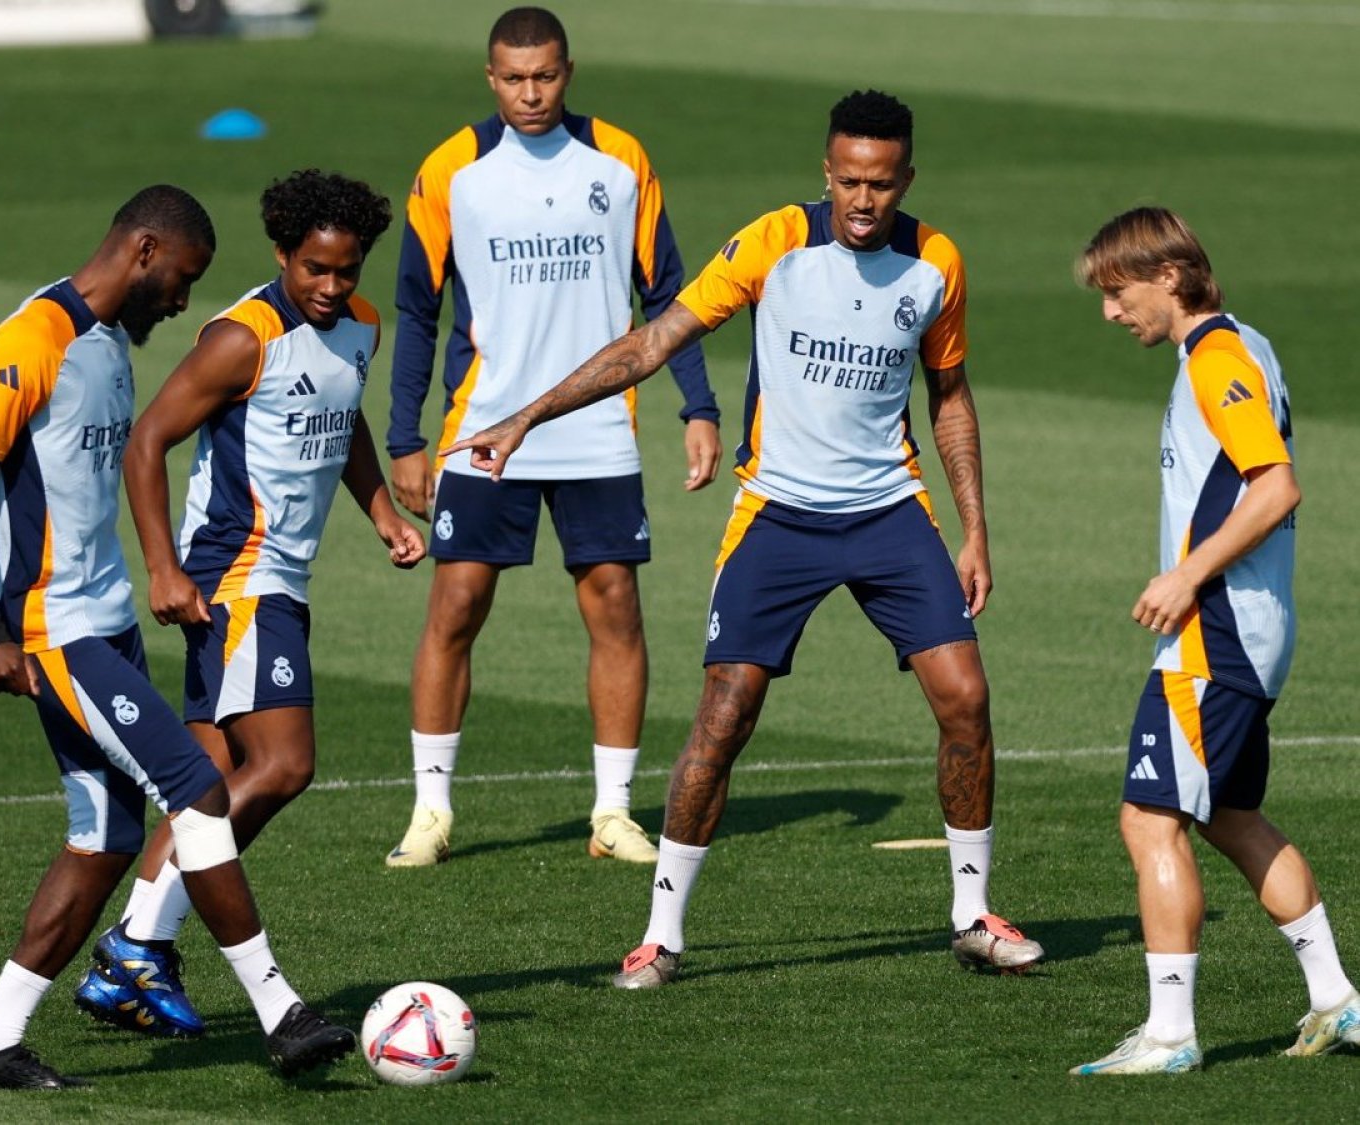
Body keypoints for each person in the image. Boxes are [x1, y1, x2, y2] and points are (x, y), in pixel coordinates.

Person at [441, 90, 1044, 986]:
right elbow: (653, 342)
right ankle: (661, 935)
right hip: (778, 515)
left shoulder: (935, 264)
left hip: (889, 512)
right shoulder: (773, 243)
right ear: (826, 172)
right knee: (724, 718)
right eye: (849, 180)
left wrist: (976, 531)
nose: (864, 199)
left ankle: (972, 915)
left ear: (907, 178)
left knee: (966, 698)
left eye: (882, 183)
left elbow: (950, 397)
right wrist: (527, 416)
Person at [0, 186, 357, 1088]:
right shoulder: (31, 341)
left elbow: (30, 484)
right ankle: (281, 1011)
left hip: (107, 620)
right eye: (181, 279)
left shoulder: (107, 344)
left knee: (103, 838)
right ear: (144, 251)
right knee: (198, 788)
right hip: (55, 630)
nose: (182, 301)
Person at [68, 170, 425, 1038]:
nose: (331, 286)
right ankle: (137, 943)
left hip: (282, 582)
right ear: (282, 254)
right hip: (237, 577)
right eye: (314, 269)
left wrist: (382, 510)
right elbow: (148, 441)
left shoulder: (362, 327)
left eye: (346, 270)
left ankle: (130, 960)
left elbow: (343, 415)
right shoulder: (241, 338)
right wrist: (162, 567)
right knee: (286, 765)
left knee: (205, 789)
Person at [383, 6, 722, 868]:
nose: (530, 94)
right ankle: (430, 811)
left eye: (544, 76)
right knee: (457, 605)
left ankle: (612, 811)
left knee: (615, 604)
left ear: (568, 72)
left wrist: (698, 406)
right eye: (513, 78)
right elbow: (417, 309)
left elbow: (669, 294)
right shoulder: (451, 170)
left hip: (599, 428)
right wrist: (404, 436)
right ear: (489, 78)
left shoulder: (621, 158)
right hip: (482, 427)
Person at [1069, 207, 1358, 1075]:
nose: (1110, 312)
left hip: (1218, 634)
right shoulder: (1241, 345)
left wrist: (1186, 574)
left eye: (1118, 292)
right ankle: (1337, 998)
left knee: (1149, 817)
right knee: (1231, 816)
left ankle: (1170, 1034)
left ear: (1169, 275)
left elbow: (1276, 488)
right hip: (1250, 628)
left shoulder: (1219, 359)